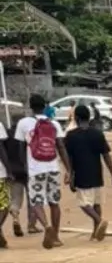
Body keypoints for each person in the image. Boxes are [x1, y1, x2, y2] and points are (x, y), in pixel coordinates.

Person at [17, 95, 71, 249]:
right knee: (54, 203)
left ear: (31, 107)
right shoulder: (54, 124)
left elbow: (20, 149)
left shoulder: (23, 123)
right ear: (45, 106)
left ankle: (47, 226)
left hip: (35, 169)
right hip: (53, 168)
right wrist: (68, 169)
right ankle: (56, 237)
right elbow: (61, 147)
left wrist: (24, 167)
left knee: (36, 202)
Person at [64, 103, 112, 240]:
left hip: (82, 174)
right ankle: (96, 232)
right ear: (89, 117)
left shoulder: (71, 136)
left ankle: (99, 221)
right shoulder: (97, 134)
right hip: (97, 173)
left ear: (76, 118)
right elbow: (106, 155)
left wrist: (70, 174)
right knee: (96, 203)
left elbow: (69, 158)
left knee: (84, 204)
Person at [1, 111, 27, 236]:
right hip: (24, 169)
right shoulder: (25, 134)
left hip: (10, 169)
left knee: (13, 197)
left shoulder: (6, 134)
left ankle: (15, 215)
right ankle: (31, 223)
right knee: (29, 199)